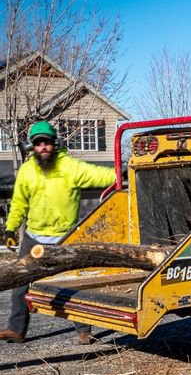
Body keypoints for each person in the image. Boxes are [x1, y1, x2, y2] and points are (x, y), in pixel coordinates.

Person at [0, 121, 116, 344]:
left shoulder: (70, 167)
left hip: (64, 239)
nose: (43, 147)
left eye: (47, 142)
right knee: (20, 284)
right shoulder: (26, 171)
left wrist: (123, 171)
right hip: (34, 238)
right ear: (31, 147)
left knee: (70, 286)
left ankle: (84, 330)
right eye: (38, 143)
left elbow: (102, 175)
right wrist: (11, 228)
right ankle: (16, 329)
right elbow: (18, 203)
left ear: (55, 144)